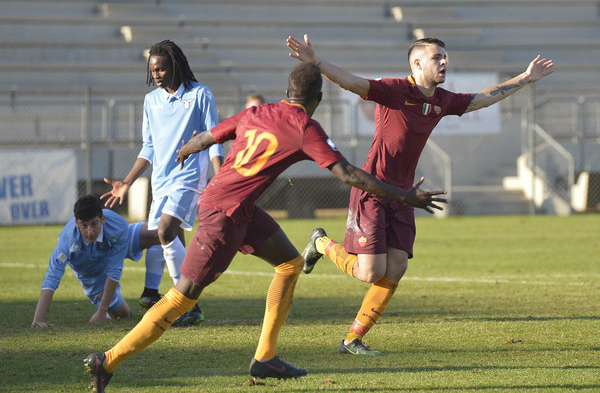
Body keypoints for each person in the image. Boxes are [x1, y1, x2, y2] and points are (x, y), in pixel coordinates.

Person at [83, 62, 447, 391]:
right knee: (183, 296)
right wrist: (405, 196)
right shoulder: (305, 127)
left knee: (289, 264)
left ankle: (266, 359)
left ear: (287, 91)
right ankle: (108, 360)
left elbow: (210, 136)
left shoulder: (256, 111)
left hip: (240, 209)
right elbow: (348, 174)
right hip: (222, 215)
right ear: (317, 98)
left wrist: (185, 150)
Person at [287, 34, 554, 355]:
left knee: (396, 266)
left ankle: (352, 340)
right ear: (417, 63)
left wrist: (525, 78)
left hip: (404, 195)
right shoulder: (395, 90)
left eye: (445, 57)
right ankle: (321, 243)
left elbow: (480, 98)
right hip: (372, 189)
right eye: (437, 57)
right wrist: (315, 63)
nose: (444, 62)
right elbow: (352, 83)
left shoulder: (442, 100)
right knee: (370, 272)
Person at [101, 40, 224, 326]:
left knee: (166, 230)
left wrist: (220, 179)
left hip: (190, 176)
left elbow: (215, 139)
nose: (156, 75)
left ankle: (185, 303)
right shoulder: (151, 101)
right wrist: (127, 182)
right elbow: (149, 147)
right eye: (153, 70)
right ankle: (188, 305)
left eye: (161, 69)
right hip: (161, 181)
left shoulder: (200, 94)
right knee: (168, 237)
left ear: (175, 66)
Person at [32, 195, 142, 327]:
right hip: (91, 273)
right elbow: (52, 276)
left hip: (118, 247)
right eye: (84, 225)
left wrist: (102, 310)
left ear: (102, 219)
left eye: (94, 224)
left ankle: (151, 293)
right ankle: (111, 310)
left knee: (158, 233)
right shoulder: (67, 240)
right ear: (76, 223)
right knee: (123, 315)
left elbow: (115, 269)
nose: (89, 232)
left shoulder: (118, 225)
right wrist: (38, 319)